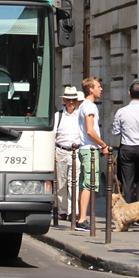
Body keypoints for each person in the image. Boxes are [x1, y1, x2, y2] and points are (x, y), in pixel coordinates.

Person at [75, 77, 110, 232]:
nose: (101, 89)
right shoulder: (89, 106)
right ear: (90, 89)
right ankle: (82, 219)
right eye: (98, 86)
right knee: (89, 184)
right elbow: (90, 130)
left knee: (85, 184)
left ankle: (81, 217)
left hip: (85, 148)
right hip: (89, 148)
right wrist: (103, 145)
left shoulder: (84, 105)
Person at [54, 86, 82, 221]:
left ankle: (73, 211)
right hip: (61, 150)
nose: (71, 102)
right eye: (69, 100)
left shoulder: (80, 116)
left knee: (74, 182)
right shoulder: (58, 115)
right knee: (61, 183)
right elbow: (53, 135)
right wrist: (54, 152)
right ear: (64, 100)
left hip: (75, 151)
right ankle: (62, 209)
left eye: (74, 100)